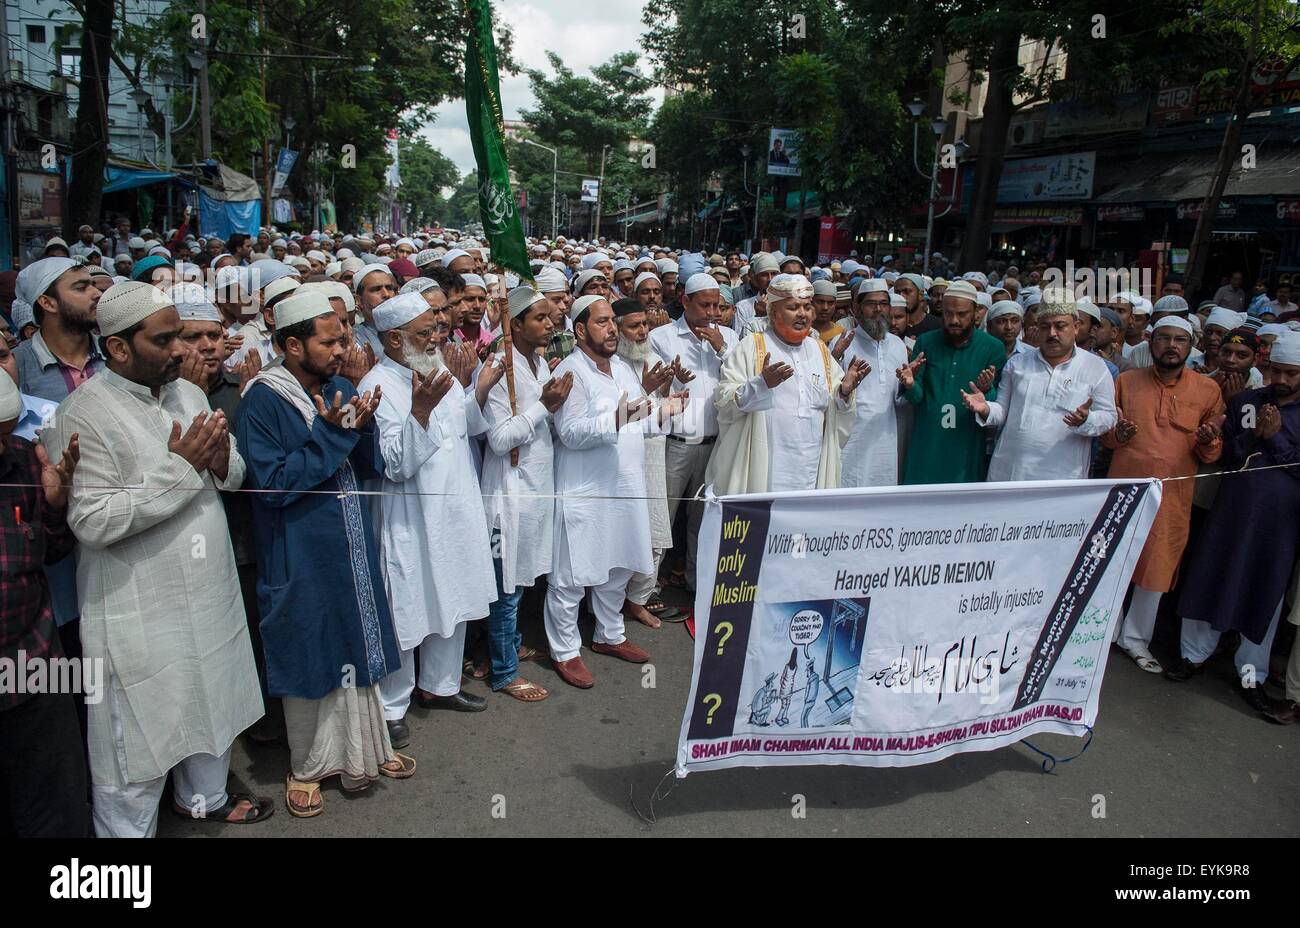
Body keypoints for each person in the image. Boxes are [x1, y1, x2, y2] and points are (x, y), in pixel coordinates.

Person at [42, 281, 271, 836]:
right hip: (138, 610)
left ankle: (205, 798)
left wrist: (219, 463)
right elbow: (93, 521)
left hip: (208, 592)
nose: (181, 351)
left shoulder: (189, 395)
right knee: (135, 745)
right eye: (165, 339)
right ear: (119, 348)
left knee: (211, 702)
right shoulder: (82, 414)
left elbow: (233, 473)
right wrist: (183, 469)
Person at [235, 290, 414, 818]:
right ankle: (308, 765)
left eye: (345, 337)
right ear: (293, 345)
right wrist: (333, 436)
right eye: (330, 340)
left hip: (349, 539)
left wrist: (363, 427)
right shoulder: (261, 401)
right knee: (311, 645)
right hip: (298, 549)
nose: (344, 349)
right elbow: (270, 486)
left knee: (353, 636)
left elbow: (370, 463)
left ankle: (366, 752)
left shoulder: (339, 386)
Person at [359, 292, 496, 747]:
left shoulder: (437, 370)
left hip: (457, 507)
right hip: (411, 516)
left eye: (435, 328)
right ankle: (392, 706)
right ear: (395, 339)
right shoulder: (376, 385)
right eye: (425, 332)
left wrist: (479, 387)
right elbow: (394, 464)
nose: (437, 336)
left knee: (454, 594)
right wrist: (419, 410)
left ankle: (441, 686)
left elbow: (469, 427)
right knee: (408, 604)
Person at [545, 295, 687, 689]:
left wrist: (663, 412)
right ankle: (566, 651)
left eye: (612, 322)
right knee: (572, 575)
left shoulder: (622, 368)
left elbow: (638, 420)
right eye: (602, 322)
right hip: (585, 490)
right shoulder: (572, 372)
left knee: (619, 564)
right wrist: (621, 416)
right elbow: (570, 434)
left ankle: (609, 636)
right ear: (580, 330)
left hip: (625, 486)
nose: (611, 329)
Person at [1167, 335, 1300, 710]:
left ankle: (1250, 673)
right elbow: (1226, 456)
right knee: (1211, 575)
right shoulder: (1247, 401)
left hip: (1279, 523)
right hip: (1232, 511)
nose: (1282, 379)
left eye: (1291, 373)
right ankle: (1193, 656)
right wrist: (1224, 438)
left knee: (1265, 590)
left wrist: (1272, 440)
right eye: (1276, 370)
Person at [1105, 316, 1224, 675]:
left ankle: (1136, 639)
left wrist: (1207, 441)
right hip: (1125, 489)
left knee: (1157, 567)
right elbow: (1106, 437)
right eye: (1164, 339)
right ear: (1150, 343)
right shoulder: (1126, 381)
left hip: (1173, 495)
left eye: (1180, 341)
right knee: (1114, 561)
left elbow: (1212, 453)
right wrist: (1119, 435)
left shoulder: (1207, 390)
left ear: (1191, 347)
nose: (1171, 346)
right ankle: (1104, 632)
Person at [0, 372, 88, 836]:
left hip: (34, 668)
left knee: (56, 811)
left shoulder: (25, 462)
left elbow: (49, 550)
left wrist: (55, 507)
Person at [480, 287, 571, 703]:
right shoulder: (502, 368)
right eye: (540, 318)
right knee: (506, 588)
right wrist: (543, 408)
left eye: (551, 317)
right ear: (514, 324)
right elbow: (499, 439)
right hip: (508, 495)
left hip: (536, 493)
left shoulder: (535, 365)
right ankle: (504, 673)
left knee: (519, 580)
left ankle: (510, 646)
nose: (551, 324)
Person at [709, 274, 866, 493]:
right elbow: (725, 401)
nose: (803, 314)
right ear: (773, 313)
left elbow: (837, 410)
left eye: (806, 307)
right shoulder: (752, 347)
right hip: (764, 464)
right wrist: (761, 384)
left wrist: (845, 393)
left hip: (811, 465)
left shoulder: (819, 350)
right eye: (793, 307)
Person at [965, 290, 1117, 481]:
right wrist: (986, 408)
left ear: (1076, 327)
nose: (1052, 333)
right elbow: (1002, 411)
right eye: (1045, 326)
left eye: (1060, 326)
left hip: (1063, 477)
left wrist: (1086, 421)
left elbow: (1109, 417)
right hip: (1010, 473)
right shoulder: (1018, 364)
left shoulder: (1095, 368)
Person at [649, 273, 738, 590]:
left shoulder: (729, 337)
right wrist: (669, 380)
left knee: (703, 522)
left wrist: (722, 348)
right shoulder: (662, 337)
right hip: (675, 445)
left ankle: (696, 584)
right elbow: (652, 391)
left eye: (717, 305)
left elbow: (740, 382)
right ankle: (646, 589)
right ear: (685, 301)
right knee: (661, 518)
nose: (712, 312)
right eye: (705, 305)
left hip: (715, 445)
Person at [616, 297, 691, 627]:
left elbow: (661, 410)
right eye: (634, 326)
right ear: (616, 331)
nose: (642, 331)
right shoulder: (612, 365)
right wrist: (646, 392)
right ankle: (609, 606)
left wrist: (671, 393)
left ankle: (638, 599)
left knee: (656, 533)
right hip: (624, 461)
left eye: (645, 324)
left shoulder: (654, 356)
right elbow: (613, 417)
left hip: (654, 456)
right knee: (625, 535)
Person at [901, 279, 1005, 484]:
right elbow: (917, 397)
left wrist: (986, 392)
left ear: (976, 312)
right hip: (927, 441)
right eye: (948, 313)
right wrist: (911, 384)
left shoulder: (993, 348)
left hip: (966, 443)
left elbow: (996, 406)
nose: (954, 320)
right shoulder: (926, 341)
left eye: (962, 314)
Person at [839, 278, 908, 487]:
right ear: (856, 308)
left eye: (883, 304)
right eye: (871, 304)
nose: (878, 309)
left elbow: (899, 398)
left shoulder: (898, 345)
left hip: (886, 437)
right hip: (850, 438)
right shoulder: (843, 343)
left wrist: (908, 384)